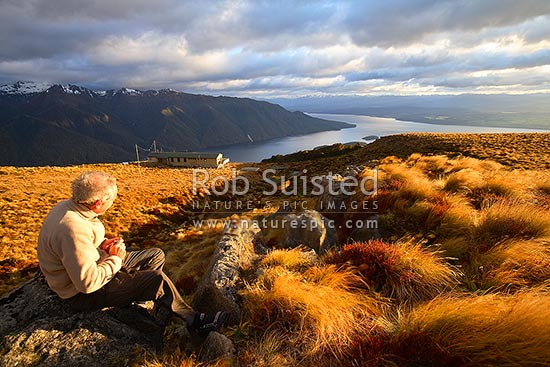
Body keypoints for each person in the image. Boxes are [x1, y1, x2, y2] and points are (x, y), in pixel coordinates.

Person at [37, 171, 227, 335]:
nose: (114, 201)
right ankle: (196, 321)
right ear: (98, 203)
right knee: (156, 279)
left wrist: (103, 245)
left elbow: (81, 247)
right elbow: (86, 284)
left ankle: (138, 305)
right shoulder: (73, 229)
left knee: (155, 255)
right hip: (80, 294)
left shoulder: (69, 207)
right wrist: (114, 259)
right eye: (111, 199)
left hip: (96, 263)